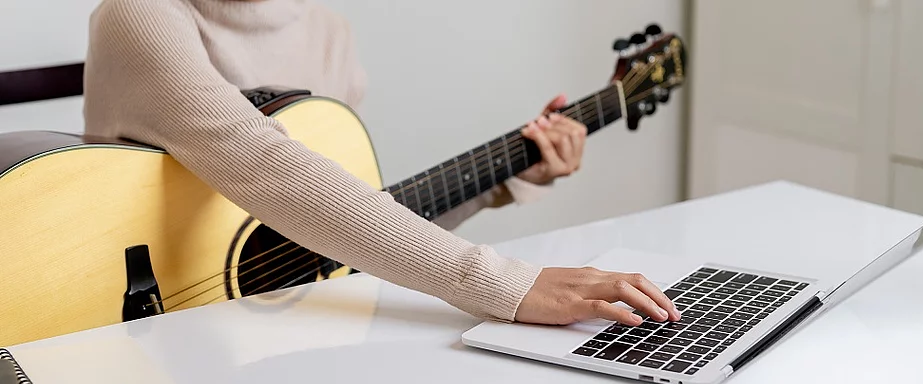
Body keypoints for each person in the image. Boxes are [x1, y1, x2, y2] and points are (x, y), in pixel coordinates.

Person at [82, 0, 680, 327]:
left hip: (271, 337)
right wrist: (508, 284)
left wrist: (511, 176)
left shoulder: (328, 31)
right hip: (126, 326)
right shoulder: (139, 14)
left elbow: (346, 228)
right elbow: (268, 168)